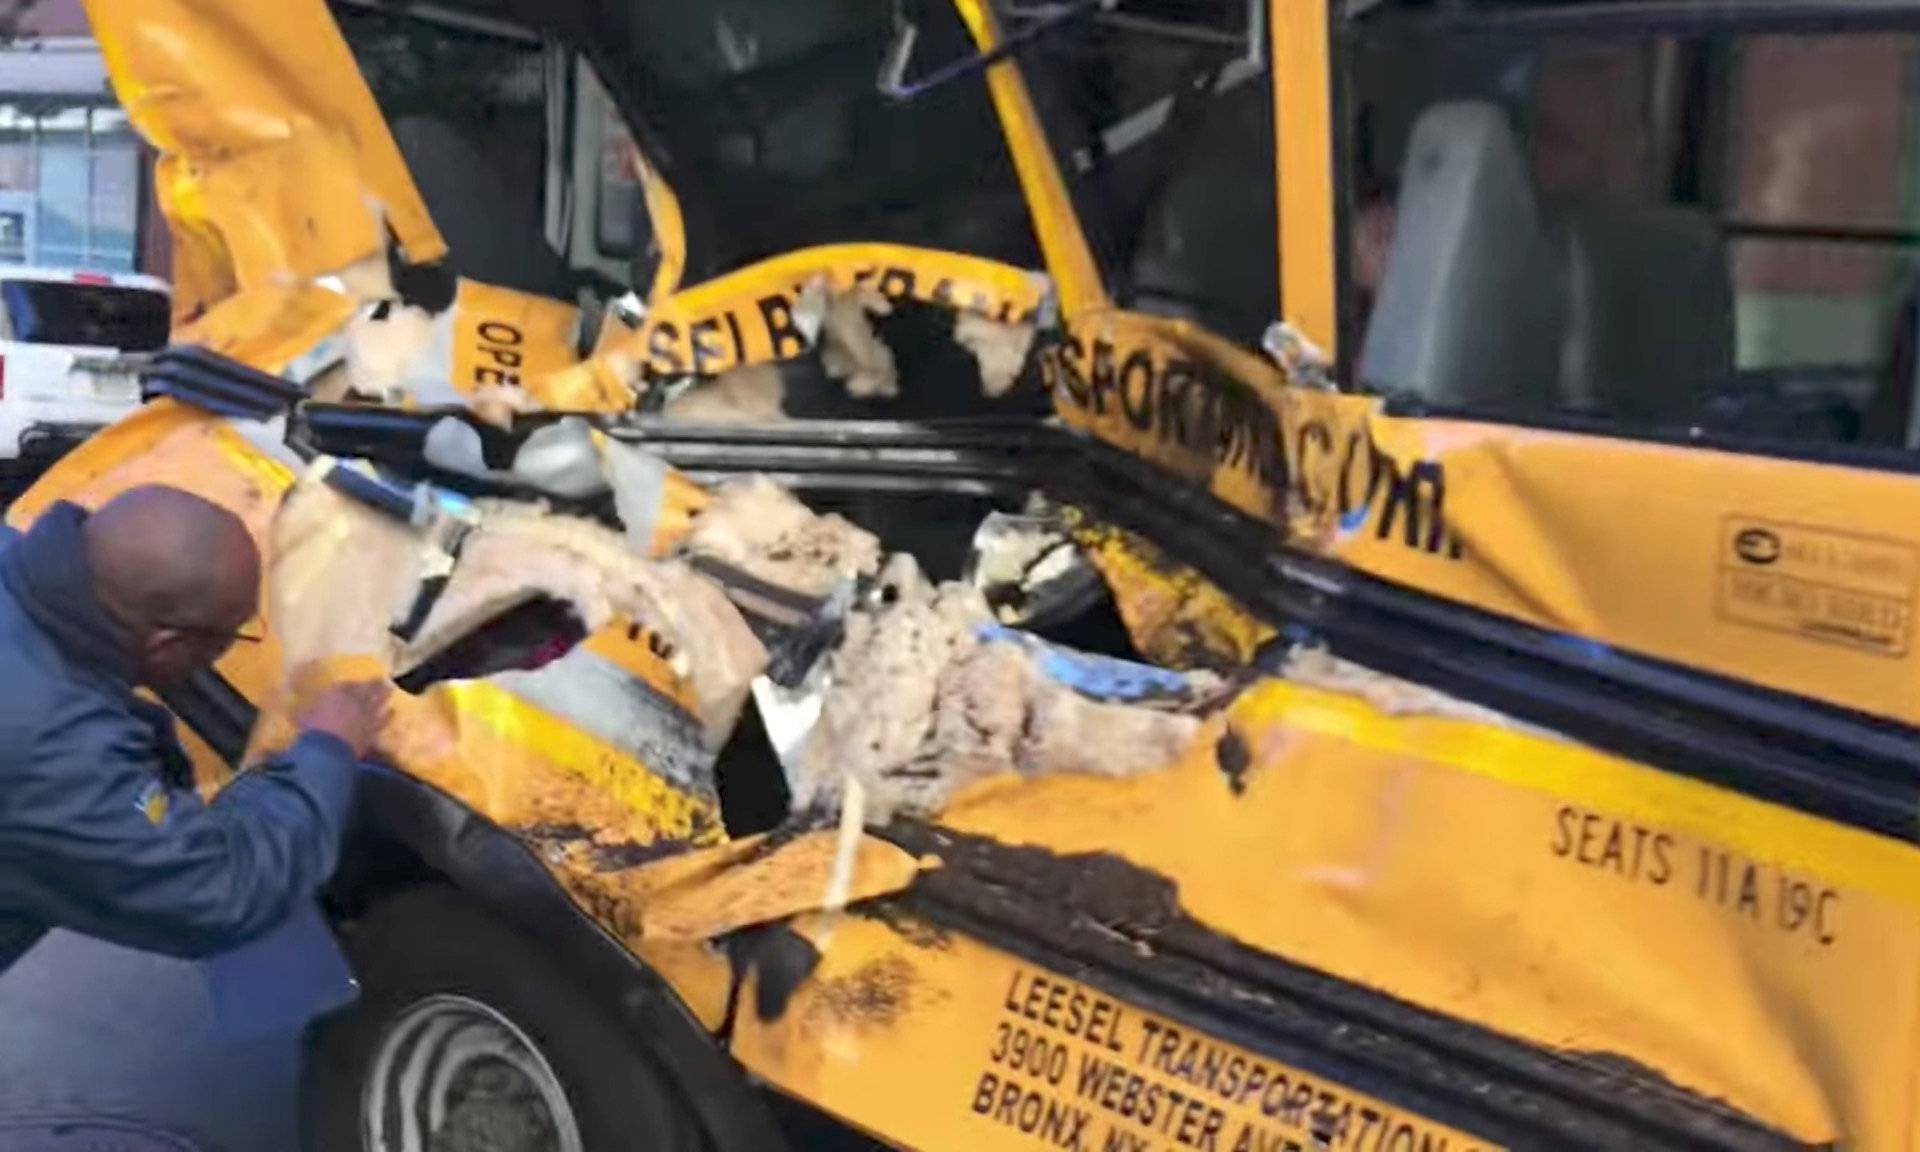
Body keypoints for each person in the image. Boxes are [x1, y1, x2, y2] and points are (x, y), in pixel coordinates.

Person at [0, 485, 388, 973]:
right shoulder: (52, 750)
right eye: (227, 637)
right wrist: (327, 750)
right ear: (168, 643)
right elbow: (222, 890)